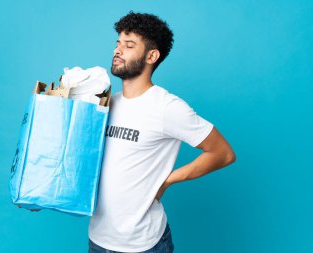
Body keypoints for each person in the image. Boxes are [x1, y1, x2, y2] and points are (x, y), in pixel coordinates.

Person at [87, 11, 236, 253]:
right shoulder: (106, 105)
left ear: (151, 56)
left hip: (144, 244)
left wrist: (167, 181)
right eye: (117, 43)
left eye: (129, 45)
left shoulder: (167, 108)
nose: (117, 50)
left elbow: (223, 153)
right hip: (98, 239)